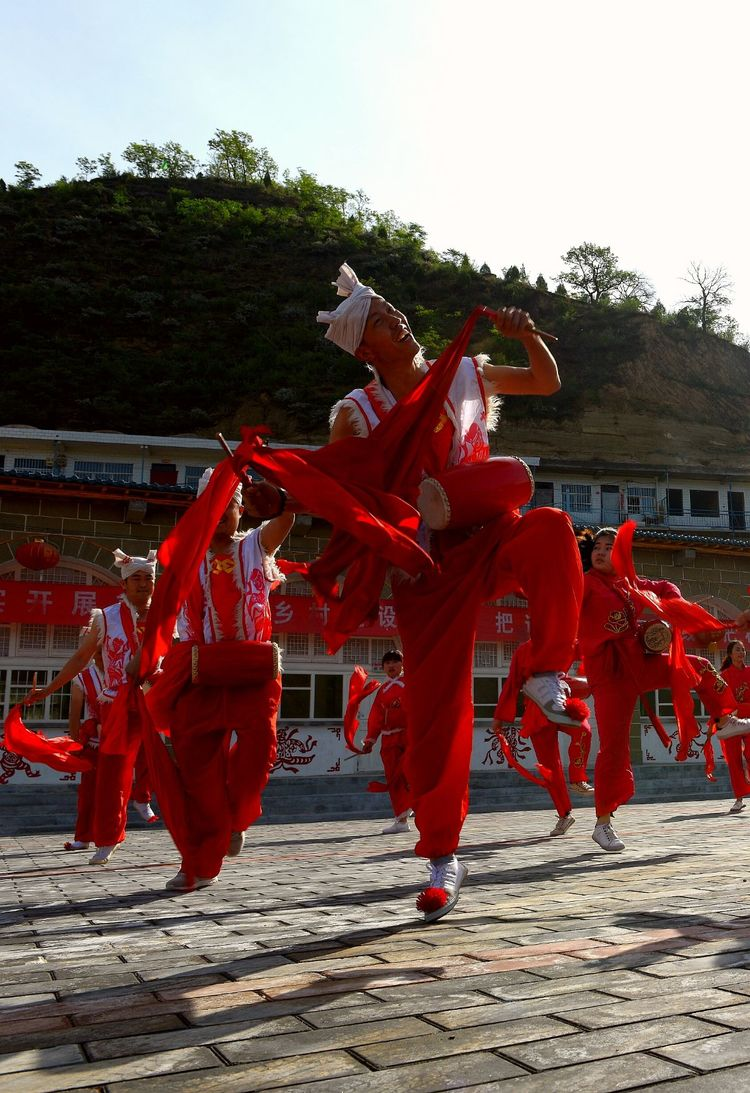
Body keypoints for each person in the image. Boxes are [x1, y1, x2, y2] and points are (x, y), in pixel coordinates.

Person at [320, 263, 583, 922]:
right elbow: (340, 494)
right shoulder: (360, 414)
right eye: (380, 320)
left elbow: (547, 381)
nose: (397, 320)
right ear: (365, 349)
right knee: (439, 713)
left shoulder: (464, 371)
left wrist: (527, 336)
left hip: (490, 533)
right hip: (427, 568)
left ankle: (547, 670)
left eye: (393, 310)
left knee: (551, 529)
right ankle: (442, 853)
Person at [157, 470, 294, 892]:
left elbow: (284, 521)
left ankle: (236, 817)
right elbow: (160, 614)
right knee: (197, 775)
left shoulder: (254, 546)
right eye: (209, 509)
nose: (218, 517)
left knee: (256, 759)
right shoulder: (182, 555)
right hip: (200, 672)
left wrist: (278, 500)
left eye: (227, 508)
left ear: (240, 510)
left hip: (252, 674)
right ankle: (196, 863)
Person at [578, 526, 750, 853]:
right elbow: (562, 598)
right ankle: (603, 823)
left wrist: (673, 606)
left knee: (697, 666)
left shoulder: (631, 584)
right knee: (614, 748)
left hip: (639, 664)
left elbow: (665, 586)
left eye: (609, 547)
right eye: (597, 547)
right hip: (610, 675)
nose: (600, 552)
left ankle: (724, 720)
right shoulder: (585, 583)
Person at [23, 550, 158, 864]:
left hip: (157, 696)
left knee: (171, 758)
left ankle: (152, 805)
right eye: (135, 578)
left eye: (148, 578)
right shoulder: (106, 617)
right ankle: (108, 837)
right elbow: (80, 659)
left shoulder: (167, 614)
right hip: (118, 702)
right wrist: (47, 690)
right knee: (112, 773)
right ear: (124, 585)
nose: (142, 584)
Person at [493, 640, 592, 837]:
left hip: (562, 703)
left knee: (584, 730)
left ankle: (577, 778)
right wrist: (500, 717)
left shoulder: (567, 641)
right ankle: (564, 814)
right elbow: (513, 683)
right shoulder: (524, 650)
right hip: (537, 713)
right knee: (551, 769)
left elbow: (592, 651)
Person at [361, 649, 411, 834]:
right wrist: (370, 740)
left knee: (412, 775)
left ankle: (422, 813)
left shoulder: (411, 684)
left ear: (402, 664)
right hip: (389, 740)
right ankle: (401, 819)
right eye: (387, 663)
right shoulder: (382, 690)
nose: (391, 666)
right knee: (394, 779)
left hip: (409, 737)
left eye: (395, 662)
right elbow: (376, 717)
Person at [63, 654, 104, 851]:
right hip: (94, 745)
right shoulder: (82, 678)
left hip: (120, 740)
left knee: (116, 793)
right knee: (88, 794)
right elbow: (74, 715)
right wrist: (76, 743)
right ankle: (84, 836)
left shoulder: (121, 671)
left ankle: (109, 836)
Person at [718, 640, 750, 814]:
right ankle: (739, 798)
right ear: (730, 654)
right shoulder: (723, 677)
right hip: (731, 722)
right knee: (734, 759)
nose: (741, 652)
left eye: (743, 650)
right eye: (738, 650)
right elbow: (720, 702)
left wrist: (741, 707)